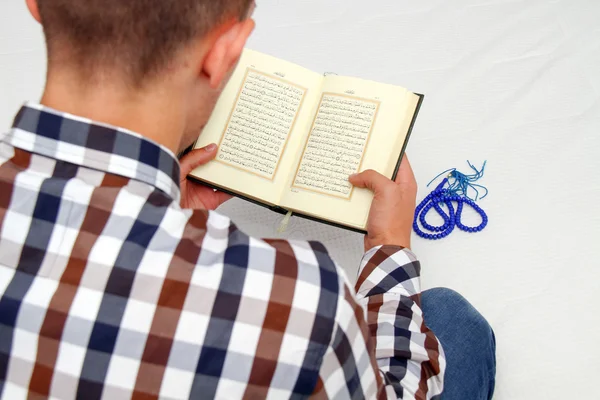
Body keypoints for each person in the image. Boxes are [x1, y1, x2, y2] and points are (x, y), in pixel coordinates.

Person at [0, 0, 496, 399]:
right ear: (224, 52)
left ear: (35, 6)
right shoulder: (303, 299)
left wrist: (156, 208)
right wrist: (388, 243)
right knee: (453, 323)